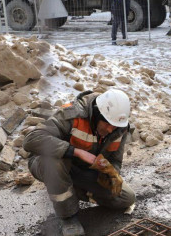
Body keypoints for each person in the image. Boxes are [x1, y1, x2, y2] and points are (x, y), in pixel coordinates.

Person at [23, 89, 135, 236]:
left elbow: (115, 160)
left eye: (114, 126)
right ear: (97, 113)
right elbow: (31, 139)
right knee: (54, 163)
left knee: (126, 197)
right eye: (107, 123)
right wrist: (75, 151)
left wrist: (111, 173)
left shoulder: (119, 129)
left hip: (83, 170)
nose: (109, 129)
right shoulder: (73, 114)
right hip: (51, 163)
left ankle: (68, 190)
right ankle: (68, 217)